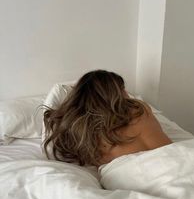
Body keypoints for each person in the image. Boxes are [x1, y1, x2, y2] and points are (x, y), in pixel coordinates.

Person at [43, 70, 172, 167]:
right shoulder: (138, 109)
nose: (127, 94)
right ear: (114, 93)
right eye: (122, 89)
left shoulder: (78, 132)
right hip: (170, 161)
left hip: (127, 176)